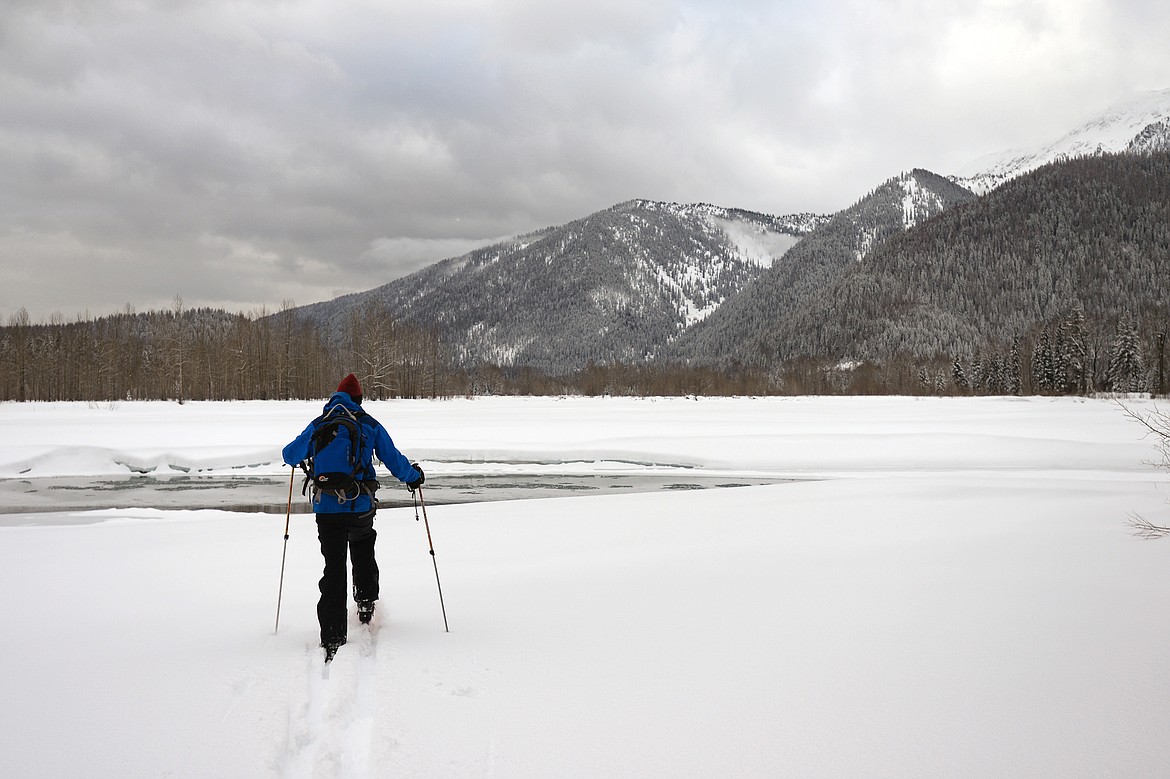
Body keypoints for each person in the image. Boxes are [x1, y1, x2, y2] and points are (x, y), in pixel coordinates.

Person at [283, 373, 424, 662]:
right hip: (359, 505)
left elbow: (289, 454)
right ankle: (365, 603)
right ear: (359, 399)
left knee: (333, 566)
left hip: (326, 510)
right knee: (362, 548)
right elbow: (394, 459)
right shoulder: (368, 423)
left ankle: (333, 634)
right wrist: (413, 477)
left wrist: (305, 456)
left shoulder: (319, 424)